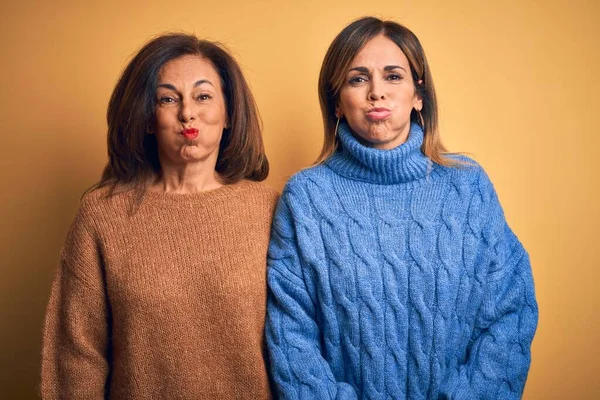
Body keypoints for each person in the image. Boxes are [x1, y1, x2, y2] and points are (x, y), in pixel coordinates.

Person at [266, 17, 538, 399]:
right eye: (357, 79)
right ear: (337, 102)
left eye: (393, 76)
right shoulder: (306, 198)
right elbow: (292, 336)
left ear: (418, 95)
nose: (376, 92)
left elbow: (511, 312)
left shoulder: (468, 186)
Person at [41, 33, 278, 399]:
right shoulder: (103, 215)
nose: (187, 113)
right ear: (148, 118)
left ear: (229, 113)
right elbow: (76, 355)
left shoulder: (270, 210)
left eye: (203, 96)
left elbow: (299, 343)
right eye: (168, 99)